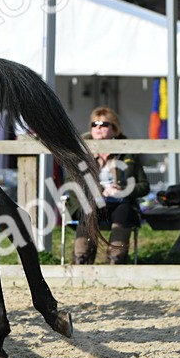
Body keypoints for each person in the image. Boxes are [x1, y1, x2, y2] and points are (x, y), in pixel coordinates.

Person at [72, 108, 150, 264]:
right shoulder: (82, 153)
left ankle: (116, 260)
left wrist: (124, 190)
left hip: (120, 203)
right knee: (88, 210)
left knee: (124, 212)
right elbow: (74, 182)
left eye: (104, 124)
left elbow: (144, 186)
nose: (98, 128)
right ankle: (81, 260)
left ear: (115, 129)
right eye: (94, 124)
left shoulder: (128, 153)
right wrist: (101, 190)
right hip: (92, 202)